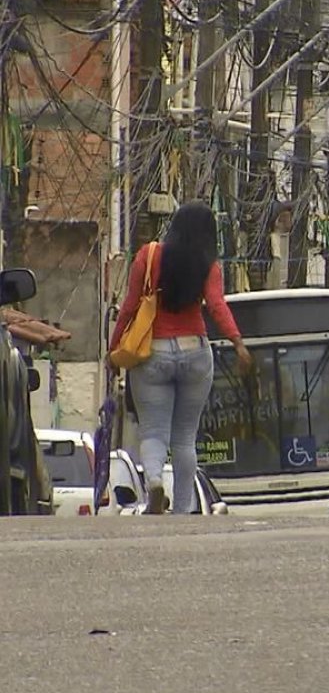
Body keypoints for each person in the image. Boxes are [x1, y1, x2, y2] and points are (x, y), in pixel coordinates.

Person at [108, 201, 252, 515]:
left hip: (152, 354)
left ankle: (156, 483)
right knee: (185, 437)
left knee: (153, 431)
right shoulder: (208, 265)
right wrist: (238, 343)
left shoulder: (148, 256)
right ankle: (184, 510)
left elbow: (131, 305)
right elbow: (217, 306)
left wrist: (114, 347)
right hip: (195, 352)